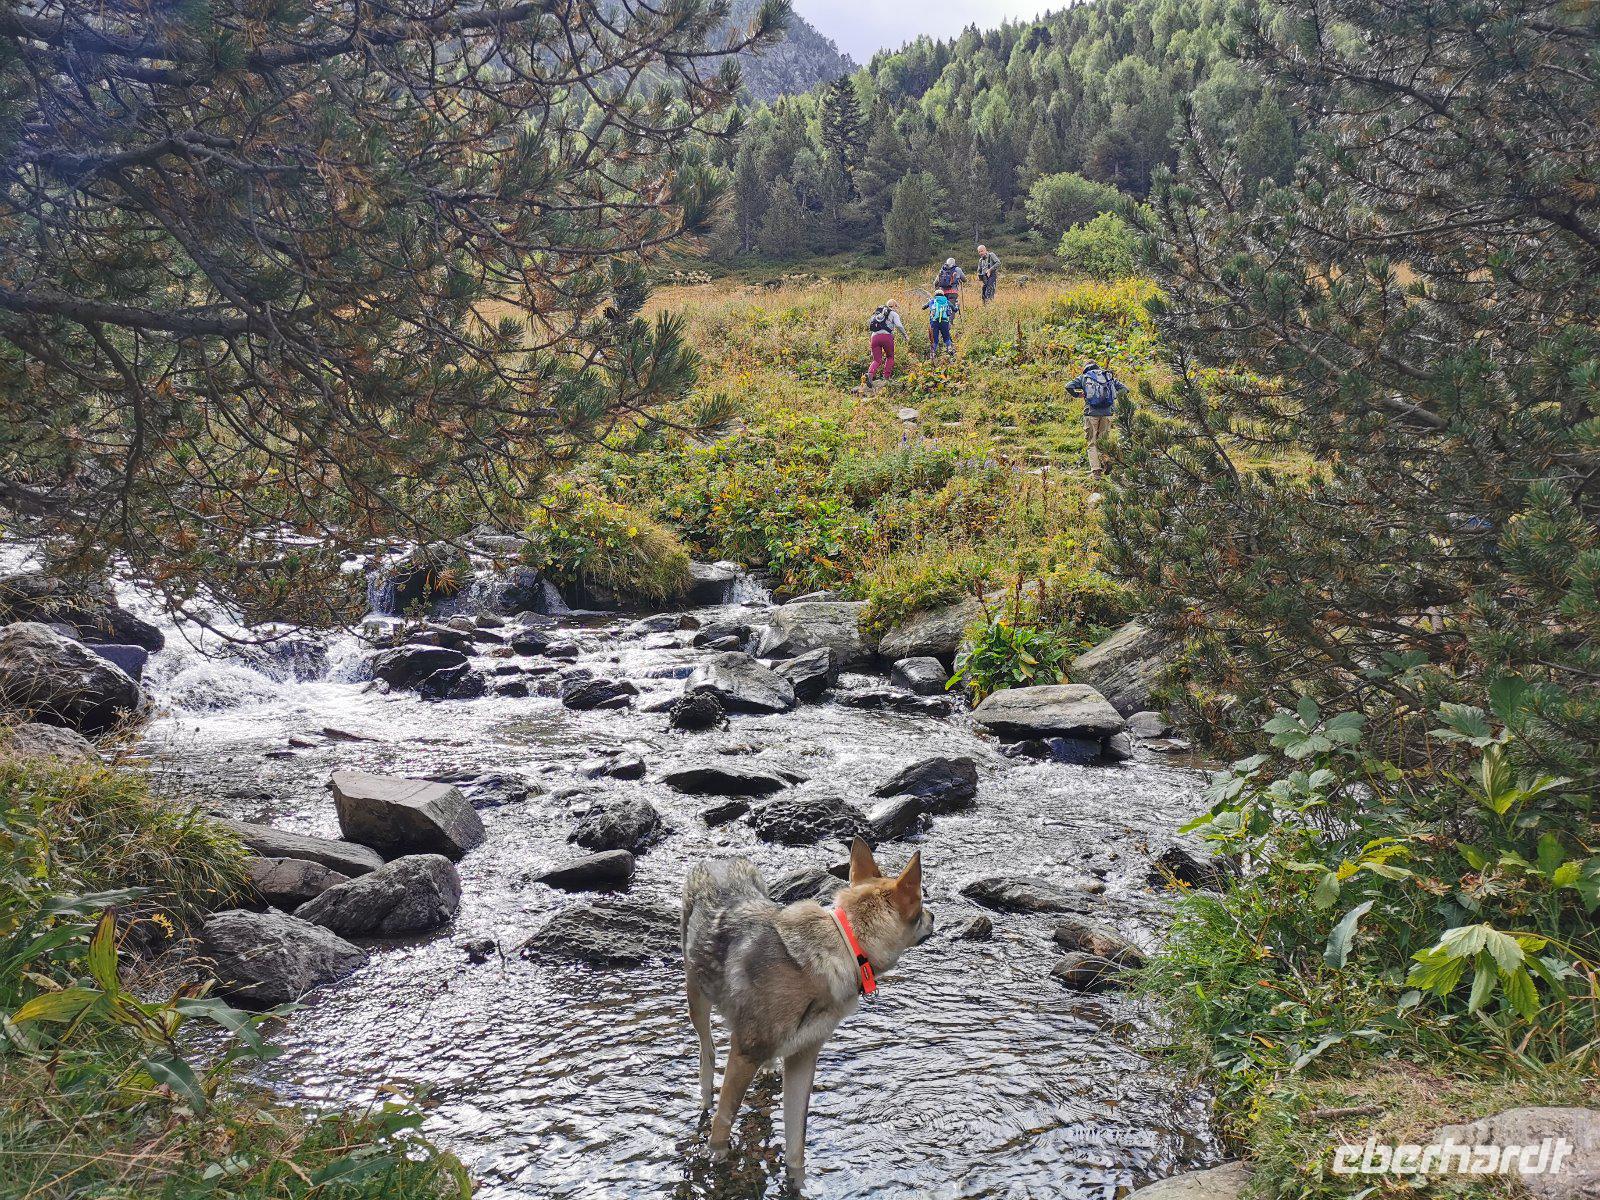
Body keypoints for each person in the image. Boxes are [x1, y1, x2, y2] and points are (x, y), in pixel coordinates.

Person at [1065, 359, 1128, 478]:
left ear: (1086, 367)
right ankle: (1106, 460)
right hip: (1107, 413)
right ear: (1097, 366)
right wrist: (1113, 399)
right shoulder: (1107, 376)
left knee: (1092, 442)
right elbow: (1125, 389)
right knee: (1103, 441)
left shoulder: (1084, 377)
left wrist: (1078, 394)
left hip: (1091, 413)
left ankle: (1096, 472)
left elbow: (1068, 386)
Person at [861, 300, 909, 393]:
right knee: (890, 357)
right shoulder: (894, 314)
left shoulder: (877, 314)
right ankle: (886, 378)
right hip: (887, 337)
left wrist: (872, 345)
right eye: (896, 307)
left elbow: (873, 329)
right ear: (894, 306)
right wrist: (905, 335)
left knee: (876, 360)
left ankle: (870, 375)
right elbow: (899, 325)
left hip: (874, 338)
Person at [923, 290, 955, 358]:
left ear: (935, 295)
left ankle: (932, 354)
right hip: (945, 322)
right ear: (943, 295)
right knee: (946, 337)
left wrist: (927, 304)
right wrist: (957, 306)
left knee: (935, 339)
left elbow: (923, 307)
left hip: (934, 322)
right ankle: (949, 349)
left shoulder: (932, 301)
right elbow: (955, 309)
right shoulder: (947, 301)